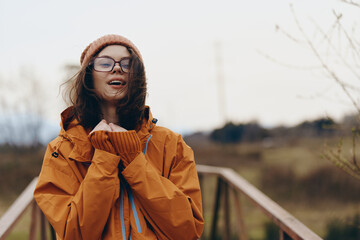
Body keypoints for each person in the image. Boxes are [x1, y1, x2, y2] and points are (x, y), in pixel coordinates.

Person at [34, 34, 204, 240]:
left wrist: (134, 160)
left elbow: (188, 231)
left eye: (127, 64)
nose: (117, 68)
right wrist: (105, 157)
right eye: (105, 63)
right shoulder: (61, 151)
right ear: (88, 76)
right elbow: (74, 235)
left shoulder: (172, 144)